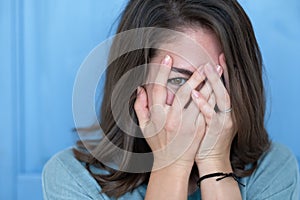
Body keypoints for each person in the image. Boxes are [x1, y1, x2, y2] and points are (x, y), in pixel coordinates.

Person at [42, 0, 300, 199]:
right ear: (135, 87)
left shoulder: (274, 169)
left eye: (214, 82)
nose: (198, 100)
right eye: (177, 80)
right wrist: (171, 163)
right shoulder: (73, 179)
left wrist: (214, 163)